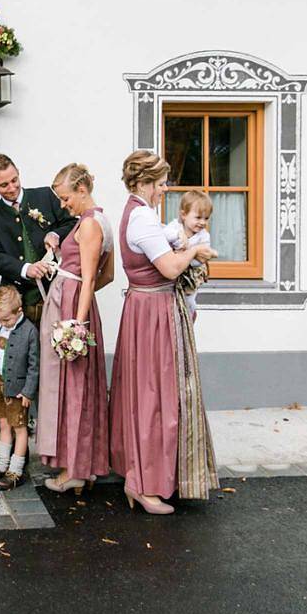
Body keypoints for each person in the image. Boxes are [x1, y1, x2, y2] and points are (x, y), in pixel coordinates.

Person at [110, 150, 219, 514]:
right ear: (144, 183)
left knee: (152, 394)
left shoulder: (138, 212)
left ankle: (145, 478)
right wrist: (195, 252)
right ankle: (143, 484)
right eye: (160, 183)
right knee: (154, 396)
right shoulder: (141, 216)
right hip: (153, 312)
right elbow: (170, 268)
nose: (164, 189)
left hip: (148, 309)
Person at [36, 164, 114, 494]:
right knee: (70, 387)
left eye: (66, 198)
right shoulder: (92, 220)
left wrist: (76, 324)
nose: (63, 205)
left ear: (82, 189)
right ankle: (79, 464)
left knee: (74, 388)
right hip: (71, 303)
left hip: (73, 312)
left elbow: (92, 278)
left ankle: (75, 470)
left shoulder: (93, 223)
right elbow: (103, 276)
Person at [0, 154, 77, 325]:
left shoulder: (45, 195)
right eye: (4, 185)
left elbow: (72, 223)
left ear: (18, 173)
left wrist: (55, 234)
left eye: (14, 180)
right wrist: (25, 269)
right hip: (18, 301)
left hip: (54, 291)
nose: (12, 188)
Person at [0, 286, 39, 491]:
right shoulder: (1, 324)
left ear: (19, 311)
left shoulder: (30, 331)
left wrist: (28, 391)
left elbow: (34, 366)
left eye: (6, 320)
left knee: (20, 429)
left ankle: (15, 471)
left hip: (17, 390)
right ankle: (1, 465)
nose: (2, 323)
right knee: (3, 425)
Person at [163, 190, 214, 320]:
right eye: (198, 217)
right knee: (170, 302)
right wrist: (178, 236)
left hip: (189, 278)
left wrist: (189, 254)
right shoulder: (176, 227)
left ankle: (188, 319)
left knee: (189, 301)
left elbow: (200, 260)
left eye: (206, 218)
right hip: (171, 276)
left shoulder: (203, 236)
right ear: (184, 214)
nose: (202, 222)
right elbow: (163, 234)